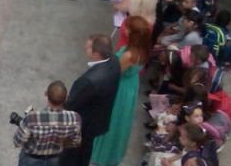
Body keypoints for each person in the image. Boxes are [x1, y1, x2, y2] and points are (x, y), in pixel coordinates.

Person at [90, 16, 152, 166]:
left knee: (111, 119)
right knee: (121, 121)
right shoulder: (142, 50)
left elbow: (114, 74)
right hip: (130, 84)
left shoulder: (129, 55)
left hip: (120, 88)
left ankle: (103, 155)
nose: (124, 29)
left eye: (127, 28)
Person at [59, 34, 121, 166]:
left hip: (83, 125)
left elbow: (71, 104)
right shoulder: (115, 62)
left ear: (97, 54)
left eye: (88, 47)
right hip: (98, 119)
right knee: (85, 152)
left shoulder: (89, 81)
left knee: (70, 157)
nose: (84, 47)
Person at [13, 81, 82, 166]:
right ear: (66, 98)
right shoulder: (75, 119)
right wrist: (60, 142)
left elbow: (17, 142)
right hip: (54, 160)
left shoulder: (32, 118)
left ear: (46, 94)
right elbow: (76, 142)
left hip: (31, 159)